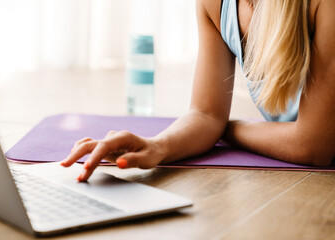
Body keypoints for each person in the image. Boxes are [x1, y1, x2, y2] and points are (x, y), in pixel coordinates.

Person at [61, 0, 335, 182]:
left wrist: (226, 130)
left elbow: (313, 145)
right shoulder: (215, 4)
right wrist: (158, 145)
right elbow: (205, 113)